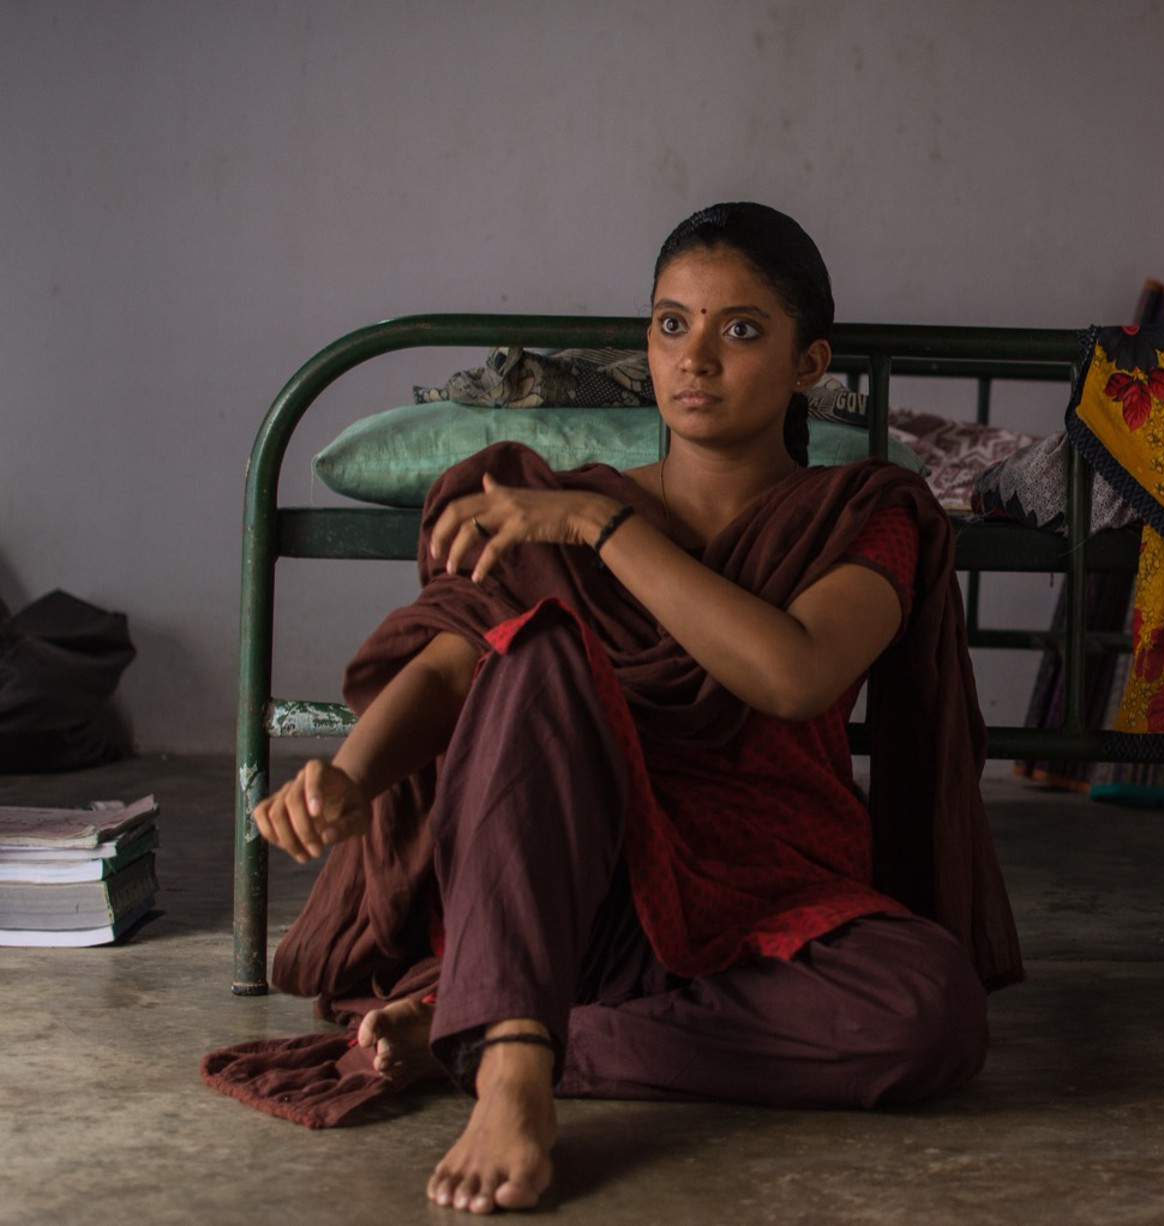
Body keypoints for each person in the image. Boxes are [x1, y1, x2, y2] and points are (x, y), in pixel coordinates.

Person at [242, 203, 1023, 1214]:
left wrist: (600, 526)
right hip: (574, 888)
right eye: (671, 324)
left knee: (929, 1013)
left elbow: (793, 674)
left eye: (740, 329)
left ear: (807, 364)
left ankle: (490, 1029)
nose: (695, 357)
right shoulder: (545, 510)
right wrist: (350, 775)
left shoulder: (863, 513)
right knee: (539, 650)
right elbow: (449, 670)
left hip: (768, 893)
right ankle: (512, 1067)